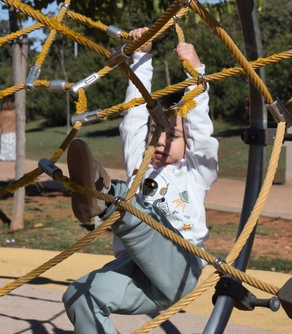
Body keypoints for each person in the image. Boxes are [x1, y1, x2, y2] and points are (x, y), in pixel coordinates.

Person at [62, 27, 219, 333]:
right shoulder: (141, 166)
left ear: (187, 143)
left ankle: (104, 194)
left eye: (172, 135)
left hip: (179, 265)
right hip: (136, 270)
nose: (160, 142)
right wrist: (142, 56)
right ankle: (103, 195)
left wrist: (197, 72)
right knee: (79, 297)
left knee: (137, 211)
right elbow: (133, 116)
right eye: (155, 133)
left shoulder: (196, 171)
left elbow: (200, 128)